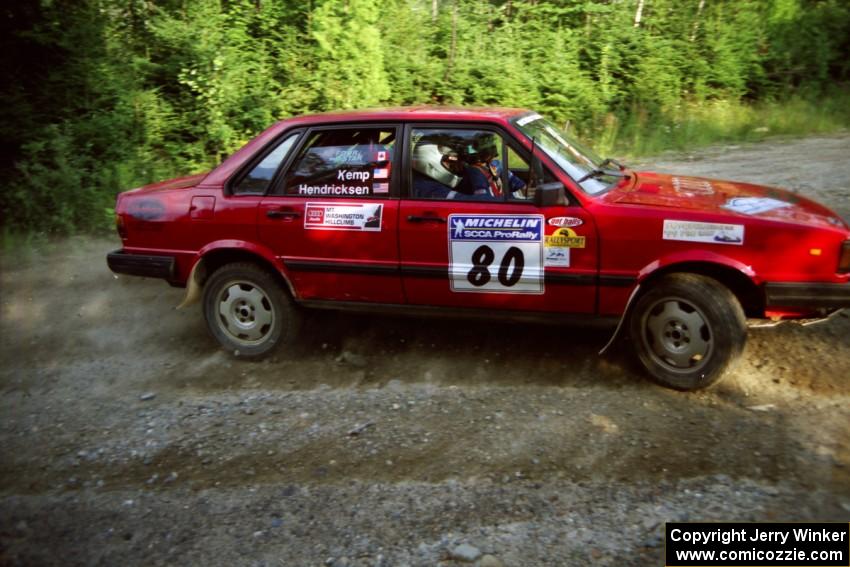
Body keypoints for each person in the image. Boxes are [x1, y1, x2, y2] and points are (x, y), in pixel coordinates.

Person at [411, 142, 496, 201]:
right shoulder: (429, 188)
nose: (459, 166)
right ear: (431, 163)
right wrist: (476, 173)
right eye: (451, 162)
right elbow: (473, 202)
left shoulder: (426, 180)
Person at [458, 134, 527, 199]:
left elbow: (511, 179)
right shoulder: (475, 173)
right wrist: (517, 195)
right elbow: (485, 200)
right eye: (489, 146)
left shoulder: (496, 164)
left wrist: (524, 188)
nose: (494, 147)